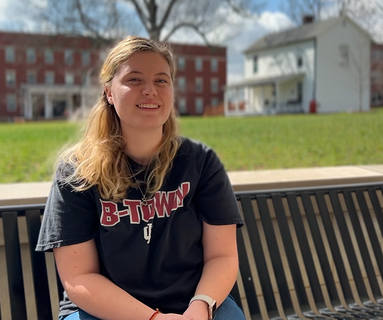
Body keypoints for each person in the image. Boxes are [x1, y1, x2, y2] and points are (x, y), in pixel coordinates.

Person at [36, 36, 245, 320]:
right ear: (109, 92)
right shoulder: (77, 172)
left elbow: (222, 256)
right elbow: (80, 277)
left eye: (161, 80)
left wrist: (201, 306)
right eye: (134, 80)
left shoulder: (200, 163)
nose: (150, 90)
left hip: (194, 303)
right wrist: (152, 319)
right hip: (103, 311)